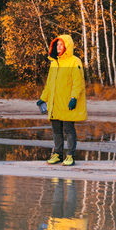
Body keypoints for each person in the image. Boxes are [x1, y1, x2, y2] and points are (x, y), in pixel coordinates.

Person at [36, 33, 87, 166]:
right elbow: (49, 84)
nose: (59, 47)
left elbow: (78, 83)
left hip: (67, 103)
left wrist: (74, 98)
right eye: (57, 44)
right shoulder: (54, 62)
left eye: (61, 44)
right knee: (56, 130)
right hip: (54, 103)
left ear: (67, 46)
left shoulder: (74, 61)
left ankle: (70, 156)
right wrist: (43, 99)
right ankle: (58, 154)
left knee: (69, 129)